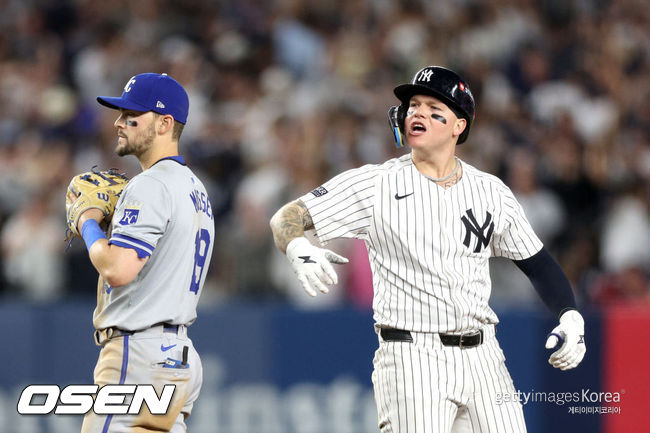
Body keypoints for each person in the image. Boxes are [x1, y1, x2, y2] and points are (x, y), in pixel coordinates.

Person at [270, 66, 586, 433]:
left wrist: (569, 314)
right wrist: (296, 244)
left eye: (433, 106)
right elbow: (286, 217)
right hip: (411, 356)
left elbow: (537, 263)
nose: (417, 112)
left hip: (484, 356)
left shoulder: (491, 191)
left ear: (458, 125)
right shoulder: (376, 183)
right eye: (413, 104)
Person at [67, 73, 215, 432]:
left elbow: (118, 270)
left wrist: (87, 221)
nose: (119, 122)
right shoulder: (196, 189)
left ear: (165, 123)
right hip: (177, 357)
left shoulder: (150, 185)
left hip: (138, 354)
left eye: (132, 114)